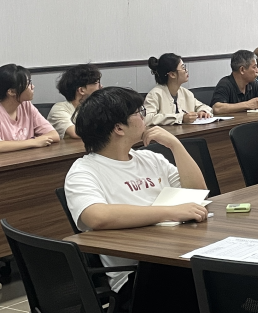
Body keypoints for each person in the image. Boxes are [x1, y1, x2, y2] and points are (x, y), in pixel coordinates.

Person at [63, 86, 209, 296]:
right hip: (138, 276)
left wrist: (175, 145)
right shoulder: (84, 171)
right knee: (215, 284)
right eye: (139, 113)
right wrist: (170, 212)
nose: (144, 118)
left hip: (176, 254)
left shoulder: (150, 158)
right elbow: (97, 216)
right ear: (119, 128)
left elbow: (197, 192)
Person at [0, 64, 61, 153]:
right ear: (12, 92)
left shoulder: (26, 106)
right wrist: (34, 142)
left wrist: (35, 141)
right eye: (28, 84)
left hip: (25, 159)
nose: (33, 86)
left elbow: (54, 135)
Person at [143, 53, 213, 125]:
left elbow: (204, 107)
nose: (186, 70)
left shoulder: (186, 93)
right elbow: (147, 119)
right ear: (172, 74)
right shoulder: (155, 94)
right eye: (183, 67)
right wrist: (180, 118)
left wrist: (203, 112)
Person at [47, 64, 102, 139]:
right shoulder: (59, 109)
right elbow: (76, 133)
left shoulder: (95, 107)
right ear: (81, 90)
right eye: (97, 83)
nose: (101, 87)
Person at [211, 50, 258, 114]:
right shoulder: (225, 84)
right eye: (254, 67)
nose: (257, 70)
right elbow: (217, 108)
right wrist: (247, 104)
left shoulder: (252, 83)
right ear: (242, 70)